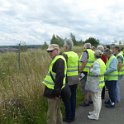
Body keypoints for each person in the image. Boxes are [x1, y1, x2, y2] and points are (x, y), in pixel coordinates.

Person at [42, 44, 67, 124]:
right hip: (55, 90)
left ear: (57, 50)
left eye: (51, 51)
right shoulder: (58, 59)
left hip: (53, 92)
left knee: (51, 115)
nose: (50, 53)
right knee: (56, 111)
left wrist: (56, 93)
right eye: (48, 51)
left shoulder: (59, 60)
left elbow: (60, 77)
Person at [85, 50, 106, 120]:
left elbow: (97, 72)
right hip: (100, 83)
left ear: (95, 56)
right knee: (96, 99)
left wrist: (90, 69)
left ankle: (96, 115)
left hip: (97, 83)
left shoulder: (97, 62)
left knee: (96, 99)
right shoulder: (101, 62)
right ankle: (95, 112)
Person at [62, 39, 79, 123]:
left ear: (66, 46)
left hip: (68, 79)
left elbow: (63, 68)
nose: (63, 47)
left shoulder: (65, 55)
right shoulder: (76, 54)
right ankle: (73, 116)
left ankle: (68, 117)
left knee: (67, 99)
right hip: (76, 78)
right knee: (73, 98)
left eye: (63, 45)